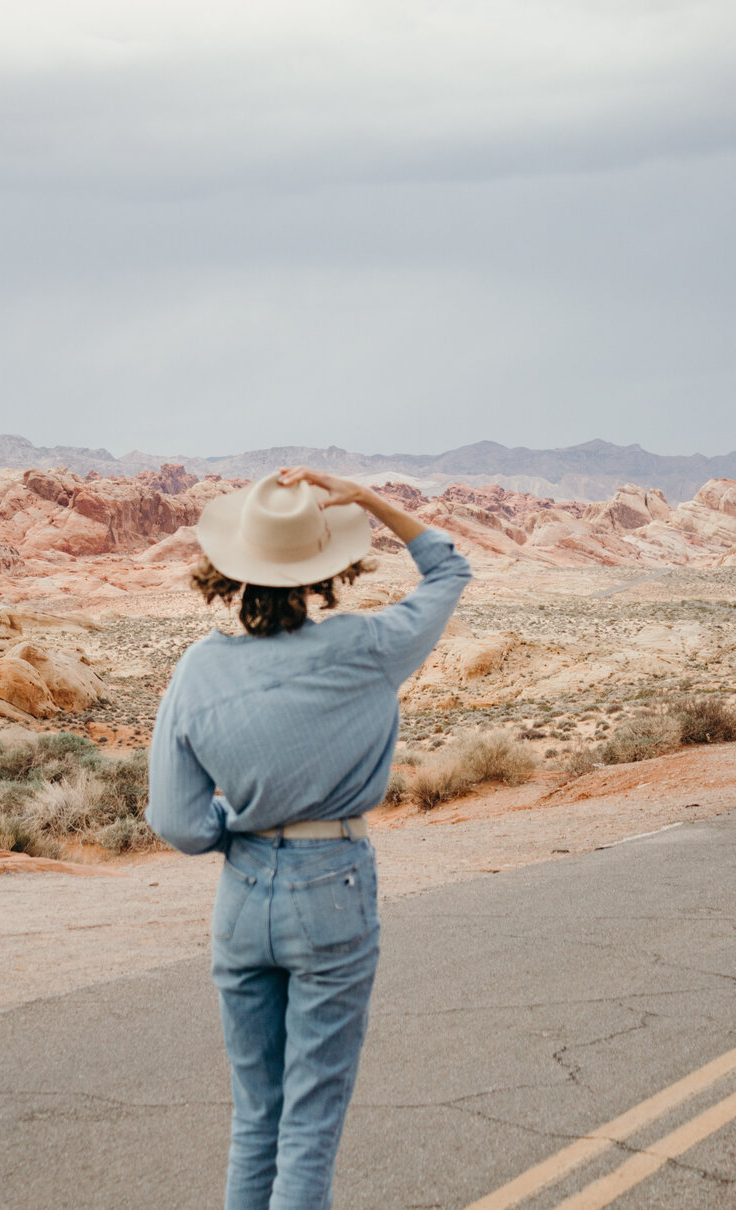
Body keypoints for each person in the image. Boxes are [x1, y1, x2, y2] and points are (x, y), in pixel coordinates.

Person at [147, 466, 472, 1210]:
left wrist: (242, 833)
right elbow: (449, 568)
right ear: (326, 571)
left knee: (256, 1116)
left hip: (242, 896)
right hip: (332, 888)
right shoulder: (368, 646)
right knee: (310, 1122)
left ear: (230, 571)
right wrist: (365, 500)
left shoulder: (198, 670)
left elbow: (177, 821)